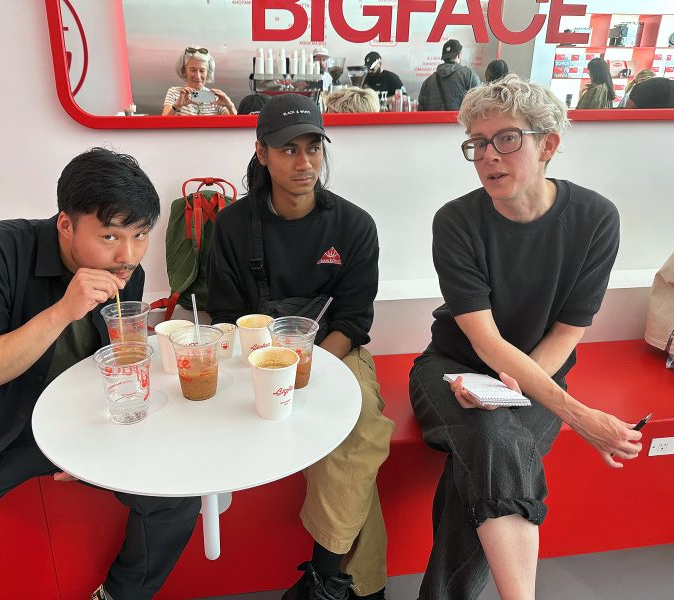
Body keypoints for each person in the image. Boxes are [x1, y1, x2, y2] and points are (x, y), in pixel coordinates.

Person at [0, 148, 201, 600]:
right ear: (66, 224)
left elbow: (110, 365)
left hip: (71, 429)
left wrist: (95, 439)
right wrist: (64, 310)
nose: (128, 255)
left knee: (179, 496)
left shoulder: (127, 271)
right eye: (109, 236)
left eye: (141, 234)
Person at [409, 75, 643, 600]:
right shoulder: (456, 222)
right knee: (491, 440)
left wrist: (513, 391)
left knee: (485, 451)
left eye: (507, 138)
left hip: (539, 370)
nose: (489, 155)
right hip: (451, 367)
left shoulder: (595, 217)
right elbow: (485, 344)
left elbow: (568, 330)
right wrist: (581, 417)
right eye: (477, 143)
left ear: (548, 145)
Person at [207, 94, 394, 600]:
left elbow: (355, 319)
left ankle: (323, 577)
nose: (304, 162)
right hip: (253, 358)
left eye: (313, 147)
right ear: (262, 153)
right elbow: (224, 318)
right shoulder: (230, 227)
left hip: (335, 350)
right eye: (288, 149)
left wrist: (310, 366)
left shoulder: (354, 226)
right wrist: (275, 367)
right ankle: (354, 585)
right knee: (351, 452)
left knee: (360, 430)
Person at [162, 46, 236, 115]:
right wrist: (176, 106)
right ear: (184, 71)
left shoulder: (215, 97)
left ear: (208, 72)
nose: (198, 76)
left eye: (202, 71)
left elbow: (235, 124)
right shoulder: (174, 93)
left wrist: (230, 106)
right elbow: (162, 124)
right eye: (193, 70)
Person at [418, 39, 481, 111]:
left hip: (434, 122)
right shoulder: (468, 75)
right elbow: (479, 104)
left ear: (444, 57)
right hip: (459, 122)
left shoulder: (427, 82)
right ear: (459, 55)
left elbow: (421, 110)